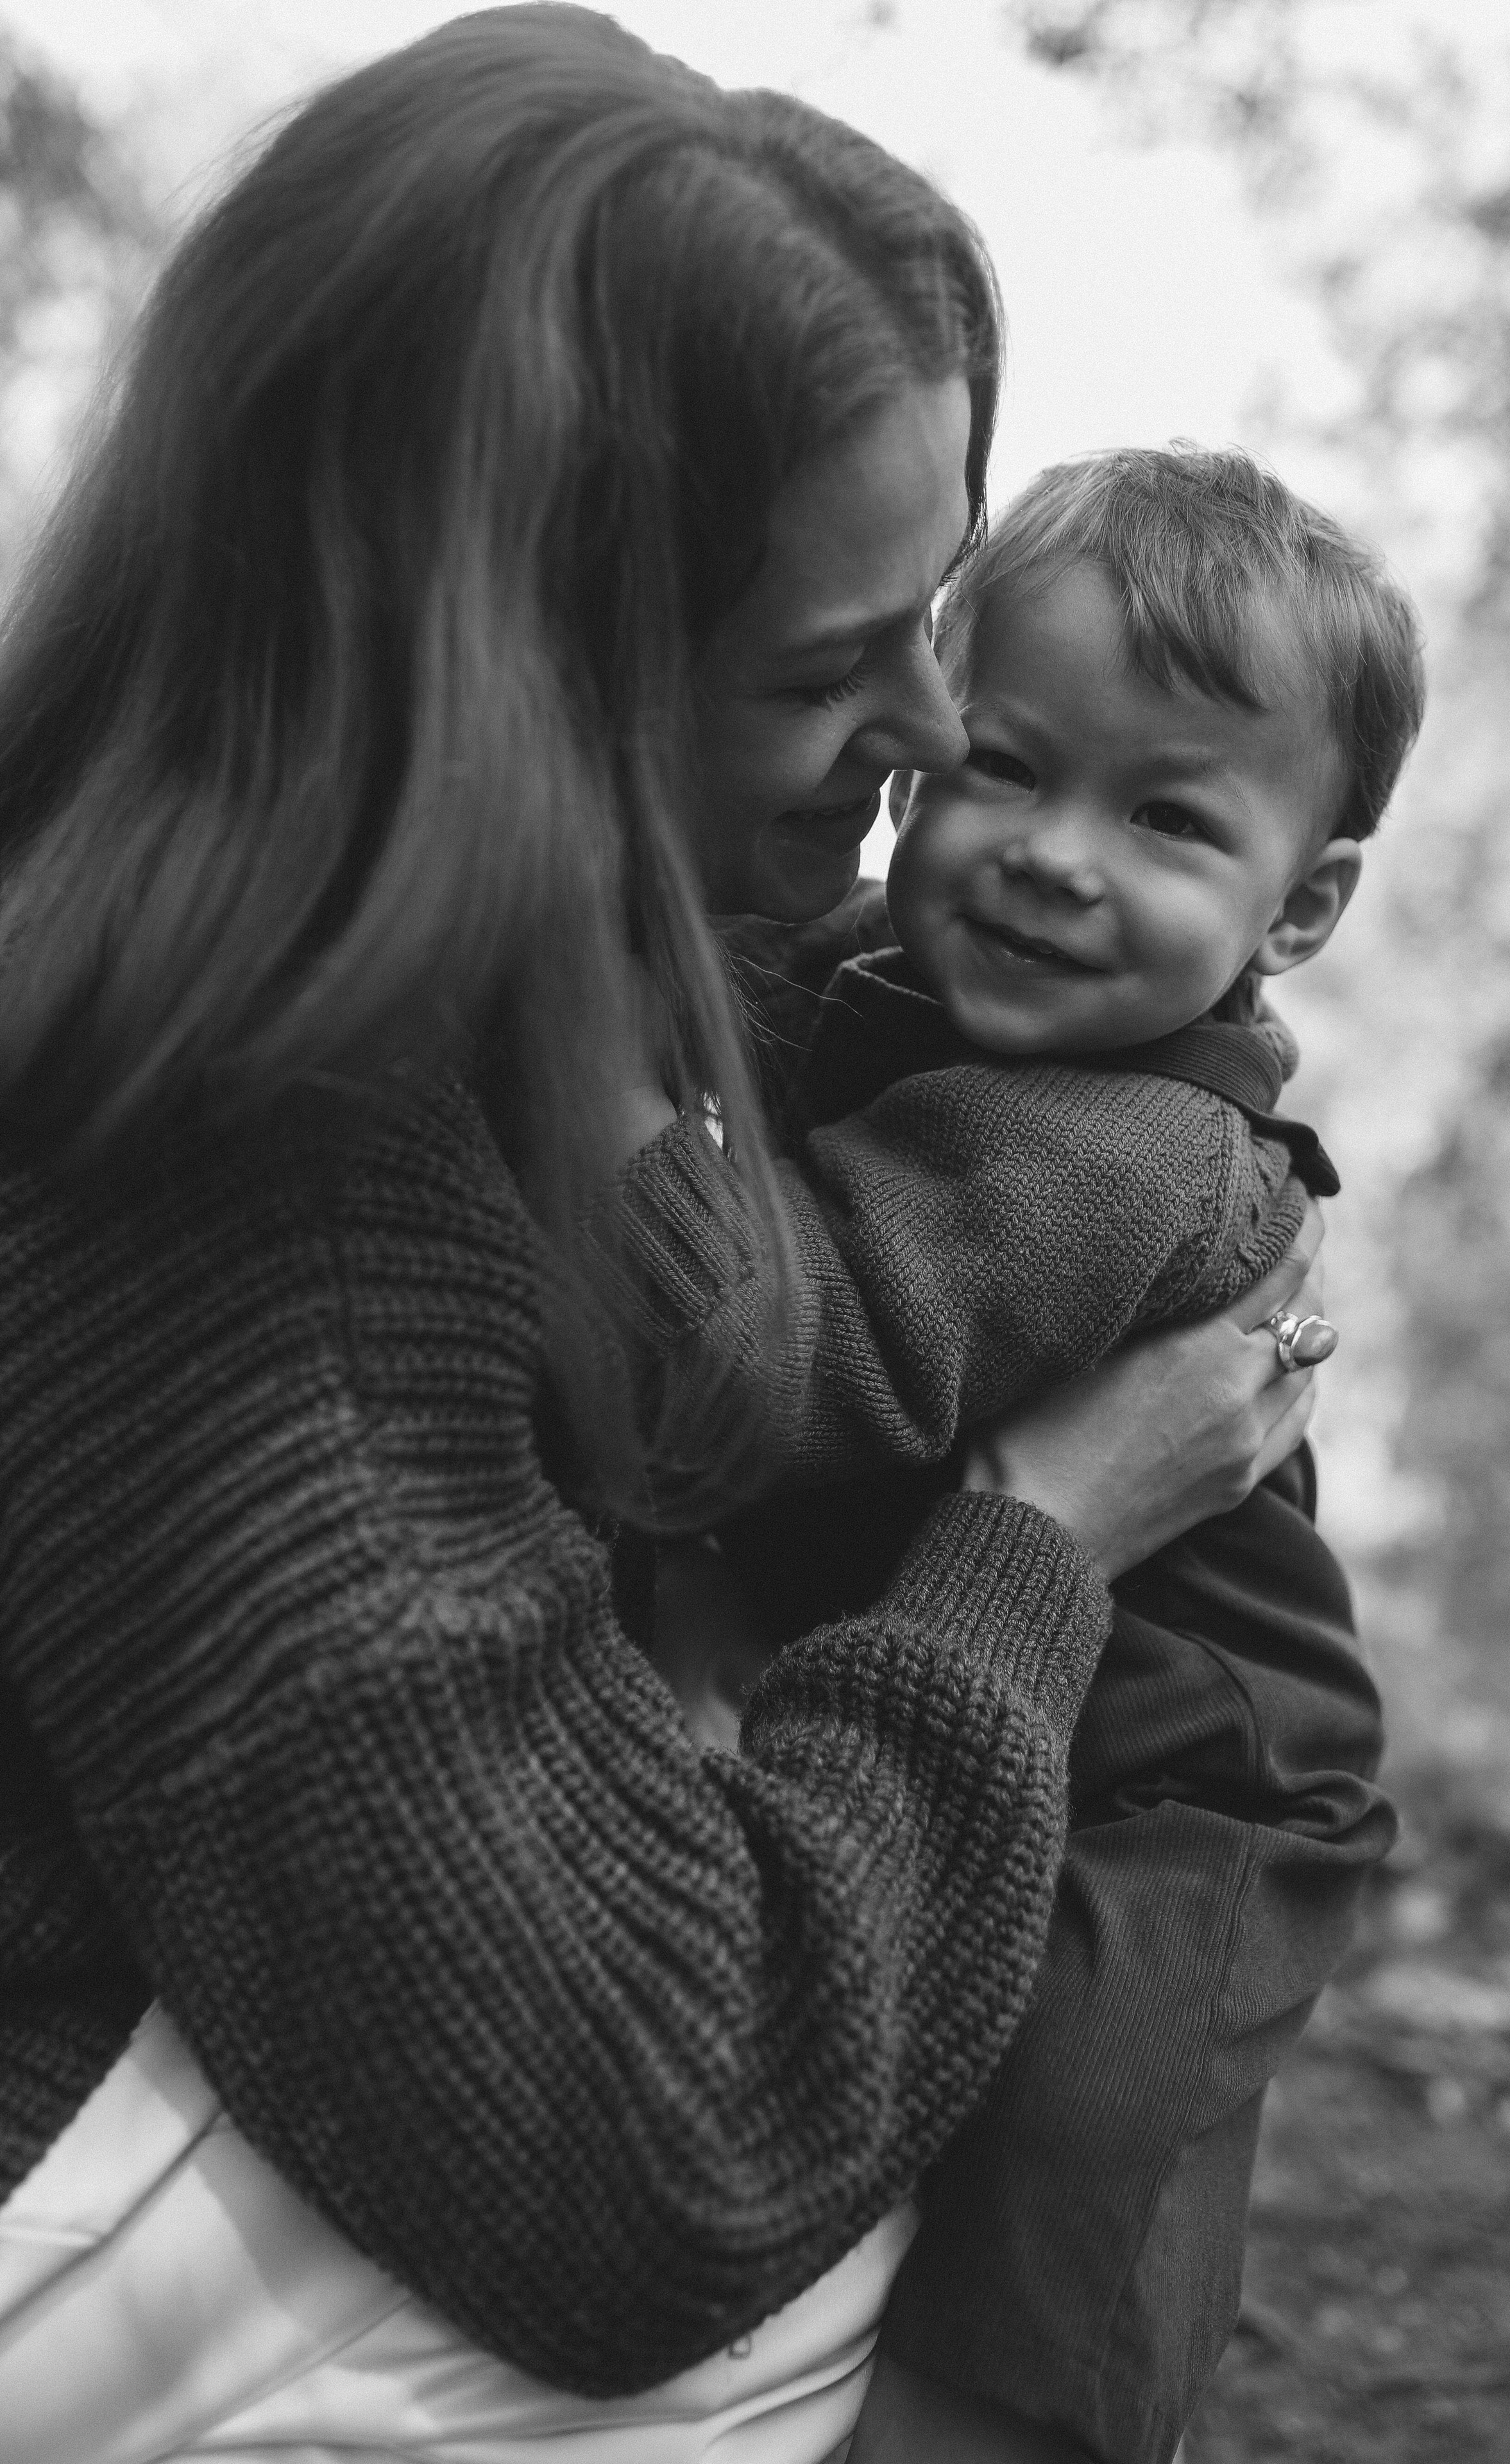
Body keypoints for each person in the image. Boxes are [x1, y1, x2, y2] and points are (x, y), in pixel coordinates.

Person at [0, 12, 1325, 2461]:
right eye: (832, 667)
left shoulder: (515, 969)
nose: (939, 725)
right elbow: (662, 2154)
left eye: (941, 602)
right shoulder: (240, 1180)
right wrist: (1043, 1537)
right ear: (508, 684)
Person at [645, 446, 1419, 2459]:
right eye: (1007, 763)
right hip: (1003, 1691)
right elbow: (717, 1003)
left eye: (1166, 815)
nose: (1053, 853)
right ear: (917, 758)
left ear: (1301, 903)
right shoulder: (887, 991)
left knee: (1082, 2160)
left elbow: (789, 1359)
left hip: (1186, 1794)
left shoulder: (1120, 1147)